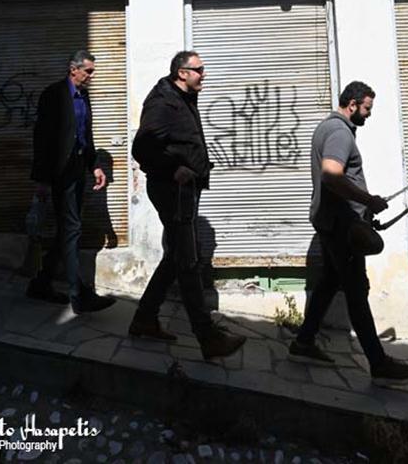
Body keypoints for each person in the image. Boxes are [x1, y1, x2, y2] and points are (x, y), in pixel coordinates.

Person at [289, 81, 408, 386]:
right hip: (342, 226)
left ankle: (304, 342)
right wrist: (368, 200)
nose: (369, 114)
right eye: (367, 108)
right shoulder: (340, 133)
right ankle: (378, 363)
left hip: (332, 221)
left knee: (329, 281)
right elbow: (332, 176)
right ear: (353, 104)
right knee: (357, 292)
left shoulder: (327, 127)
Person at [129, 50, 245, 361]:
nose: (204, 74)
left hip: (184, 189)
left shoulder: (182, 98)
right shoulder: (163, 102)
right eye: (199, 69)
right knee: (188, 261)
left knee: (175, 257)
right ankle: (207, 337)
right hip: (173, 190)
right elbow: (141, 147)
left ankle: (144, 318)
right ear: (182, 73)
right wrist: (173, 168)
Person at [27, 51, 115, 314]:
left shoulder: (83, 97)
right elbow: (41, 138)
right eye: (88, 71)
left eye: (92, 71)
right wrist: (42, 179)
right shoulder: (53, 94)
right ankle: (79, 294)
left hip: (77, 169)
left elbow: (85, 135)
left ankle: (41, 283)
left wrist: (95, 165)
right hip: (59, 172)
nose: (91, 76)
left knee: (68, 229)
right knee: (72, 227)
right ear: (73, 69)